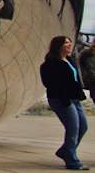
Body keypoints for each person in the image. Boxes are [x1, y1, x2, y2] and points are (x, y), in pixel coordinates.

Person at [41, 36, 88, 170]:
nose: (69, 45)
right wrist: (64, 96)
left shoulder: (70, 60)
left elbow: (75, 79)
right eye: (66, 43)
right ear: (58, 46)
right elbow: (49, 83)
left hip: (75, 99)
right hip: (61, 99)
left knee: (83, 127)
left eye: (69, 43)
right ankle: (72, 161)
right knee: (73, 128)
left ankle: (65, 151)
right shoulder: (50, 64)